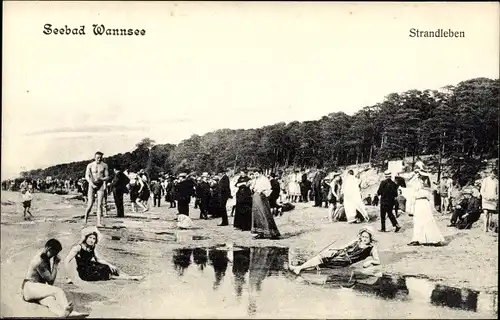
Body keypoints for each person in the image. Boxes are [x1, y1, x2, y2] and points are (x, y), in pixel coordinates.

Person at [22, 239, 79, 317]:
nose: (53, 256)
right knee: (58, 291)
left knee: (50, 300)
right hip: (30, 287)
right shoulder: (40, 260)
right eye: (53, 254)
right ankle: (69, 311)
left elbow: (49, 282)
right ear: (49, 249)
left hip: (32, 291)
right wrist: (55, 265)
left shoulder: (44, 256)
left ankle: (61, 314)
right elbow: (51, 280)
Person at [289, 226, 380, 274]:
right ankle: (299, 268)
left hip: (345, 260)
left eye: (366, 237)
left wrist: (369, 262)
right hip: (340, 253)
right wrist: (333, 249)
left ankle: (299, 268)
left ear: (371, 238)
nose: (364, 239)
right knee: (323, 256)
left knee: (323, 263)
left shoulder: (371, 248)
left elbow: (377, 261)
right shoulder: (357, 241)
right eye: (363, 236)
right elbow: (344, 247)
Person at [65, 227, 142, 283]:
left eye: (94, 239)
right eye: (90, 238)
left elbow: (98, 259)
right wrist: (68, 277)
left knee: (109, 267)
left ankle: (129, 276)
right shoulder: (78, 247)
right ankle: (128, 278)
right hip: (84, 272)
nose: (92, 240)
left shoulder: (92, 247)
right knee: (105, 271)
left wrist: (110, 264)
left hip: (91, 266)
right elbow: (67, 260)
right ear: (85, 238)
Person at [408, 171, 445, 246]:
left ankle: (433, 239)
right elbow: (410, 184)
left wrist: (416, 176)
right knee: (419, 221)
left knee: (426, 220)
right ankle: (417, 239)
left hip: (422, 203)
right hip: (419, 202)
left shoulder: (422, 185)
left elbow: (411, 184)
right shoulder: (420, 184)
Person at [250, 169, 281, 239]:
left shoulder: (265, 179)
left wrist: (262, 191)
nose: (255, 175)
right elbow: (253, 188)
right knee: (257, 215)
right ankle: (260, 232)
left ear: (260, 173)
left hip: (261, 197)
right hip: (255, 197)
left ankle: (271, 232)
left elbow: (269, 188)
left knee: (264, 213)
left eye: (257, 173)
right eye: (254, 174)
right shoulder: (256, 180)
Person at [83, 151, 109, 227]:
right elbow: (87, 176)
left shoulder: (104, 165)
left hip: (100, 185)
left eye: (100, 158)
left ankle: (99, 222)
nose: (99, 159)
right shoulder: (90, 165)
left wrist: (102, 179)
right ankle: (85, 219)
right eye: (97, 157)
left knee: (100, 204)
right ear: (94, 157)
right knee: (90, 204)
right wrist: (91, 184)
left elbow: (107, 176)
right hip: (92, 184)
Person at [480, 168, 498, 233]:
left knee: (490, 214)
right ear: (490, 173)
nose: (493, 175)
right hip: (486, 199)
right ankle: (485, 228)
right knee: (485, 213)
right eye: (492, 174)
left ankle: (488, 228)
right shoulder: (485, 180)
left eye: (495, 174)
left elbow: (497, 192)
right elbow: (482, 190)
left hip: (493, 199)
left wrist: (495, 197)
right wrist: (485, 196)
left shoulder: (496, 181)